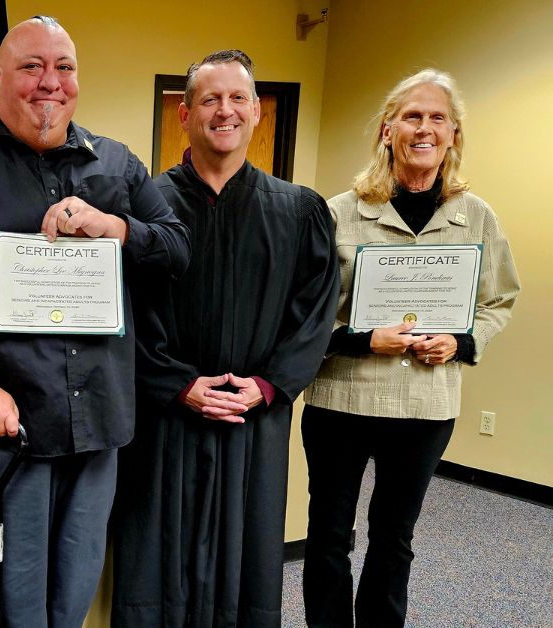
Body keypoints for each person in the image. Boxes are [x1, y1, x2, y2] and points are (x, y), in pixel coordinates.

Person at [0, 16, 190, 627]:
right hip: (5, 428)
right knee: (6, 598)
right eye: (32, 66)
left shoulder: (115, 162)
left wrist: (114, 227)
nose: (49, 82)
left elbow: (177, 248)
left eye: (63, 67)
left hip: (96, 423)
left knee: (73, 593)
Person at [110, 49, 339, 627]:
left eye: (238, 98)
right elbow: (119, 312)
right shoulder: (145, 208)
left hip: (252, 417)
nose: (225, 111)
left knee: (248, 555)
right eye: (209, 99)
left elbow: (314, 316)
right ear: (184, 115)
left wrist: (266, 386)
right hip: (166, 416)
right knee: (157, 557)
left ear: (258, 112)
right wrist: (176, 384)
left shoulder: (298, 210)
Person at [300, 69, 519, 627]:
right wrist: (361, 337)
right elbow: (300, 313)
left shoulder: (477, 217)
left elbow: (498, 301)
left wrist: (462, 340)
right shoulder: (337, 212)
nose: (424, 128)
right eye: (412, 116)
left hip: (425, 407)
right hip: (342, 400)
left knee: (394, 539)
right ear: (387, 130)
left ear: (453, 135)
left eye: (437, 118)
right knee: (328, 536)